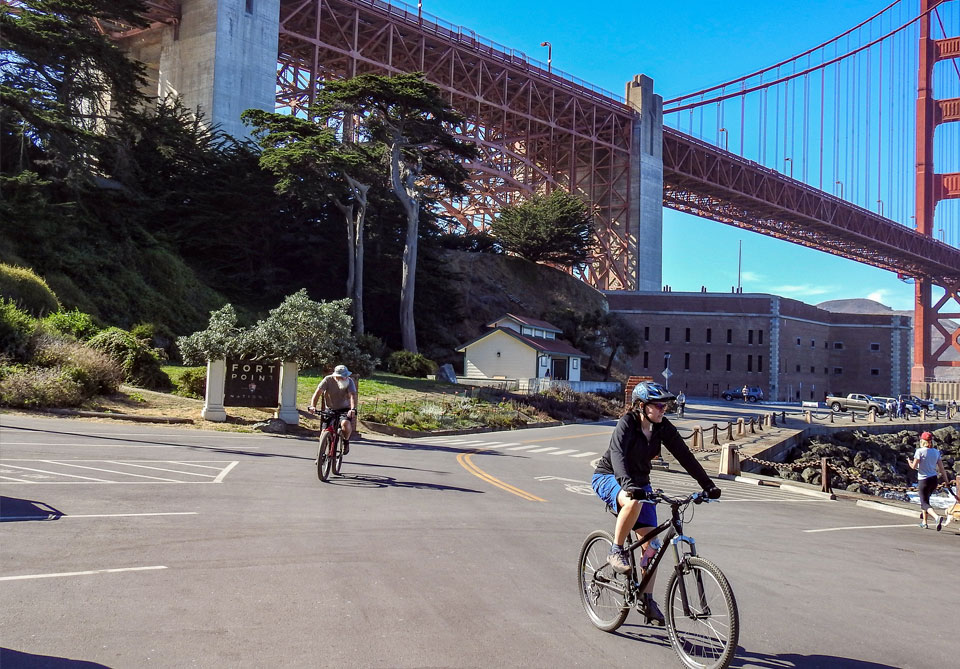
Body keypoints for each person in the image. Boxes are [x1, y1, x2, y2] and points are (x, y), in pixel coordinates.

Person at [591, 381, 721, 626]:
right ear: (641, 406)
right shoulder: (626, 424)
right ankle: (616, 550)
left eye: (665, 406)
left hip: (640, 482)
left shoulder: (662, 427)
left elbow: (684, 455)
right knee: (632, 502)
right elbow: (617, 455)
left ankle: (646, 599)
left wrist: (707, 485)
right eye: (658, 405)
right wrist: (627, 485)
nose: (663, 409)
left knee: (652, 545)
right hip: (610, 477)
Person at [309, 364, 358, 454]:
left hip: (344, 409)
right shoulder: (328, 380)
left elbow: (352, 396)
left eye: (346, 376)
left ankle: (346, 441)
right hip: (330, 409)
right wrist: (313, 406)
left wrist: (352, 409)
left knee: (345, 424)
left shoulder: (349, 381)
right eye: (343, 376)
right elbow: (317, 393)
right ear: (336, 376)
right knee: (324, 432)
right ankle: (320, 454)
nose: (345, 378)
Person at [907, 431, 951, 531]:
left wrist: (909, 462)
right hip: (933, 479)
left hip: (923, 480)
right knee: (926, 500)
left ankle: (936, 517)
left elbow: (913, 467)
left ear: (922, 441)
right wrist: (946, 481)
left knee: (924, 503)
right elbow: (941, 468)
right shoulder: (936, 452)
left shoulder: (919, 451)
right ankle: (924, 522)